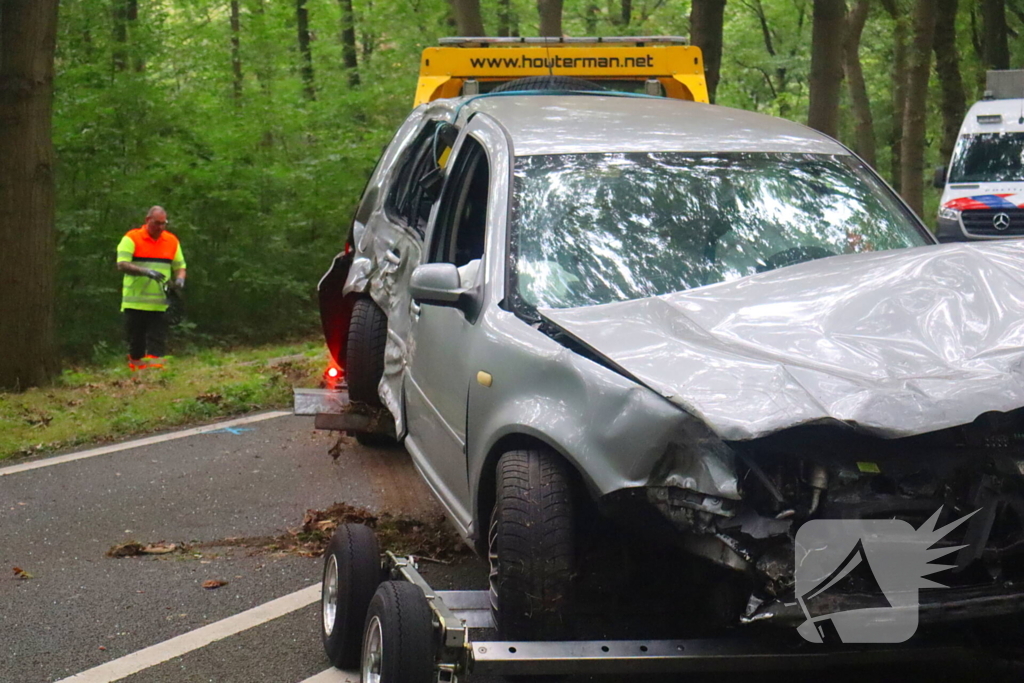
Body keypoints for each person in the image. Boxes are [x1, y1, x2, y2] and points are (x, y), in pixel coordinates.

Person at [115, 206, 186, 370]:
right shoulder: (132, 238)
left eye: (163, 223)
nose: (160, 227)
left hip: (161, 302)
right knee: (136, 342)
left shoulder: (171, 240)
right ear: (148, 220)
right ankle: (136, 375)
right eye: (157, 223)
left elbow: (180, 266)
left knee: (158, 342)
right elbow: (122, 264)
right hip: (135, 302)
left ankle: (156, 375)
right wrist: (145, 271)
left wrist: (180, 280)